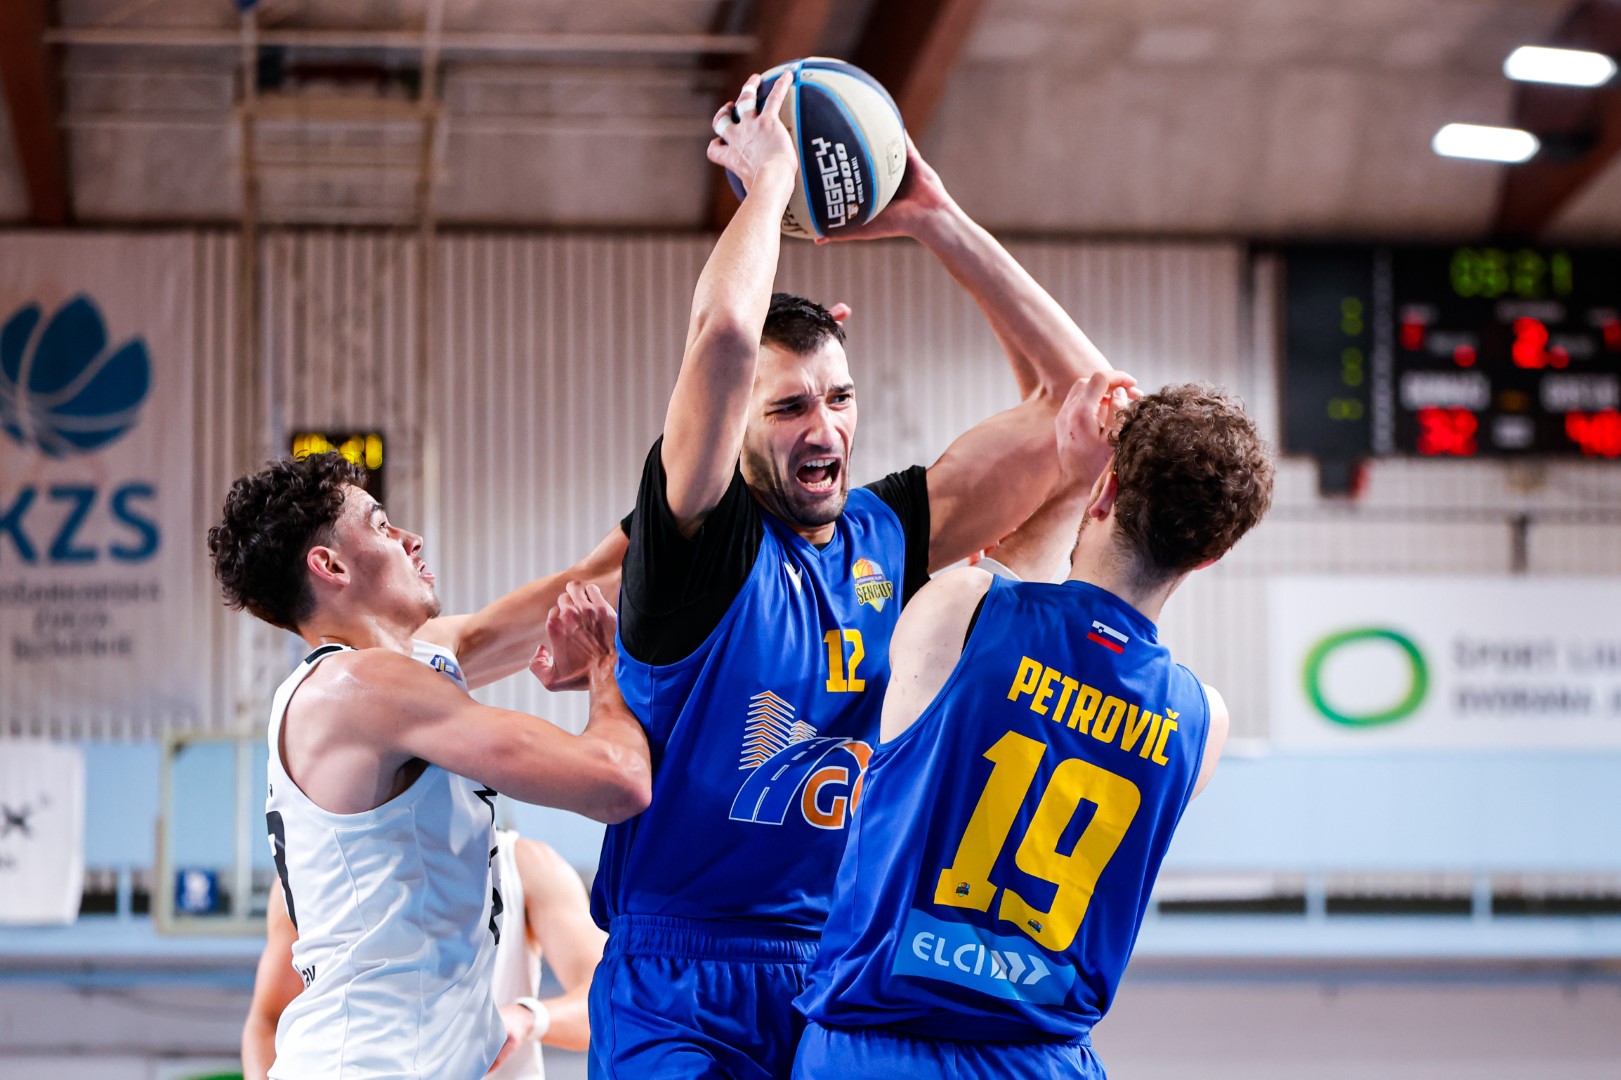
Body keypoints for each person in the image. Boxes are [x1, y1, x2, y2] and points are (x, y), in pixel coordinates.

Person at [591, 72, 1124, 1078]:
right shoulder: (700, 541)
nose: (824, 427)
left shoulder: (888, 531)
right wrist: (768, 183)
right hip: (681, 978)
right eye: (788, 407)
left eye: (837, 398)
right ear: (735, 425)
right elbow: (724, 336)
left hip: (842, 969)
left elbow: (1089, 409)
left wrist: (935, 219)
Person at [792, 380, 1275, 1078]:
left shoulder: (965, 609)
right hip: (1043, 1060)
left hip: (876, 1047)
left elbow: (1011, 607)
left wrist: (1068, 481)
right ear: (1210, 555)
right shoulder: (1202, 721)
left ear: (1107, 492)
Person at [207, 452, 650, 1080]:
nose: (410, 538)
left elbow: (591, 581)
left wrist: (711, 485)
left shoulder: (398, 669)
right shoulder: (361, 688)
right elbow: (617, 780)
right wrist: (606, 673)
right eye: (381, 525)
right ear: (330, 566)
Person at [242, 827, 606, 1080]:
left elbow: (601, 1003)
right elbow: (268, 1018)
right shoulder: (316, 876)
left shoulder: (526, 865)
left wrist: (528, 1016)